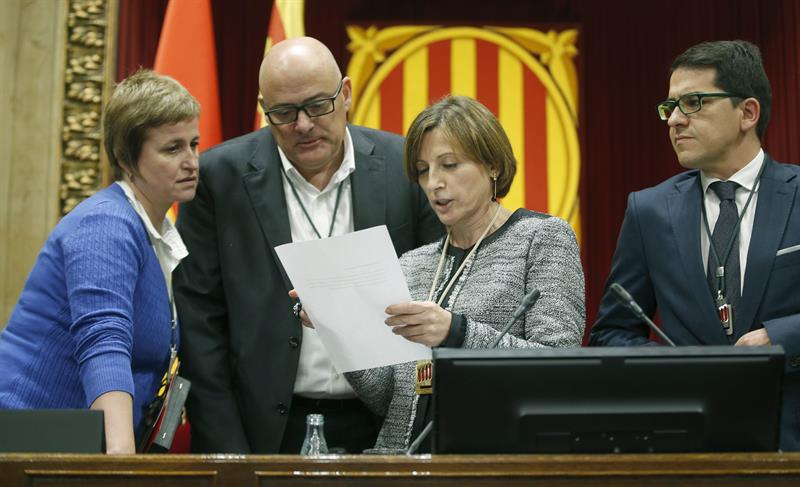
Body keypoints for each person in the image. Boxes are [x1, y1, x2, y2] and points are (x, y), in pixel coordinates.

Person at [173, 37, 443, 454]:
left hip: (386, 425)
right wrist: (228, 455)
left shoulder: (404, 166)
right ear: (264, 108)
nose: (303, 124)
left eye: (319, 105)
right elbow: (199, 323)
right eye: (283, 113)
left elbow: (439, 293)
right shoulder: (218, 178)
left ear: (347, 93)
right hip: (263, 431)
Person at [337, 95, 586, 451]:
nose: (433, 182)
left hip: (491, 464)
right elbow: (389, 399)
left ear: (493, 165)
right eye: (423, 170)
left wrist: (457, 332)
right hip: (400, 467)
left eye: (449, 165)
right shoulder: (414, 263)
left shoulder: (542, 238)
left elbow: (560, 370)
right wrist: (340, 331)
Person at [589, 40, 800, 451]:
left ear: (747, 113)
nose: (674, 121)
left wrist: (781, 337)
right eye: (670, 107)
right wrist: (674, 366)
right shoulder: (648, 211)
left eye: (694, 102)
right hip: (688, 446)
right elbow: (612, 332)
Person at [0, 69, 200, 454]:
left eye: (193, 144)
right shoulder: (106, 223)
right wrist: (119, 468)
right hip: (23, 445)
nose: (191, 161)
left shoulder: (148, 230)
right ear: (127, 158)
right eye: (172, 148)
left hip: (64, 447)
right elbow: (104, 343)